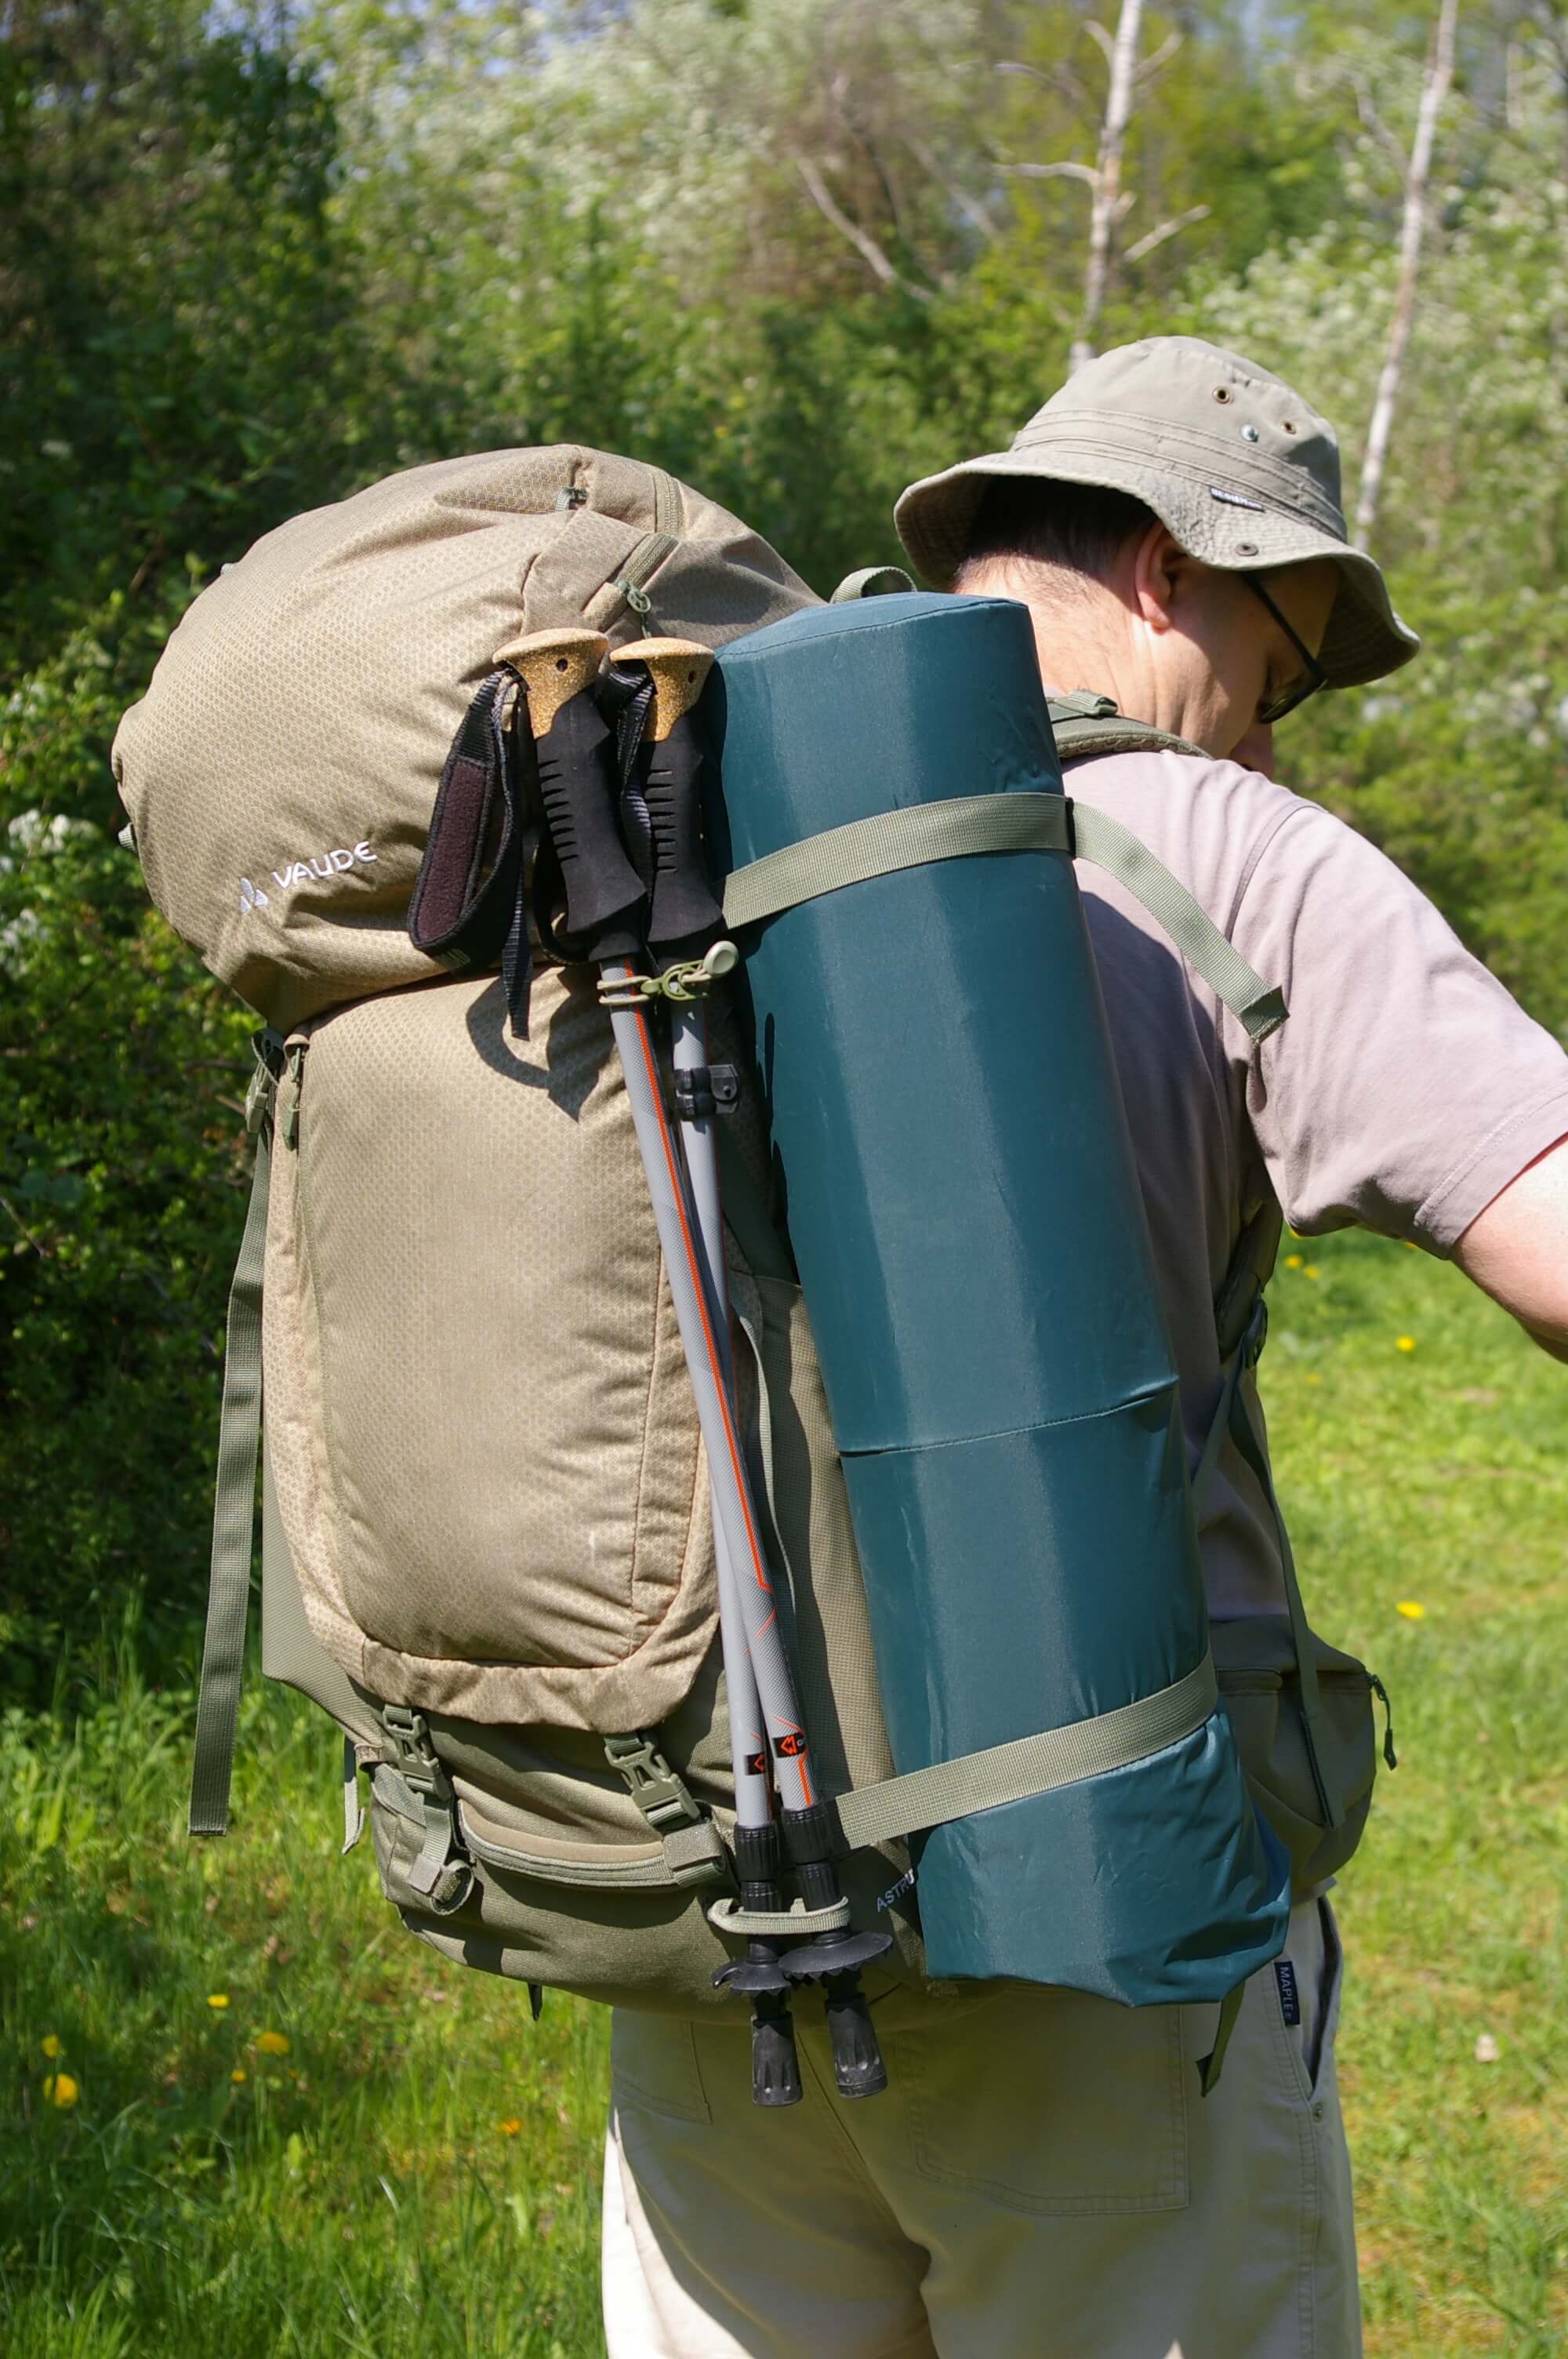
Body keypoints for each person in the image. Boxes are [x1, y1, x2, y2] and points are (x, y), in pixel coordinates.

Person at [599, 336, 1568, 2357]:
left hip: (718, 1912)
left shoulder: (665, 825)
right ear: (1164, 568)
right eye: (1276, 675)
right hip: (1097, 1917)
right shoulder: (1232, 850)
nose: (1273, 742)